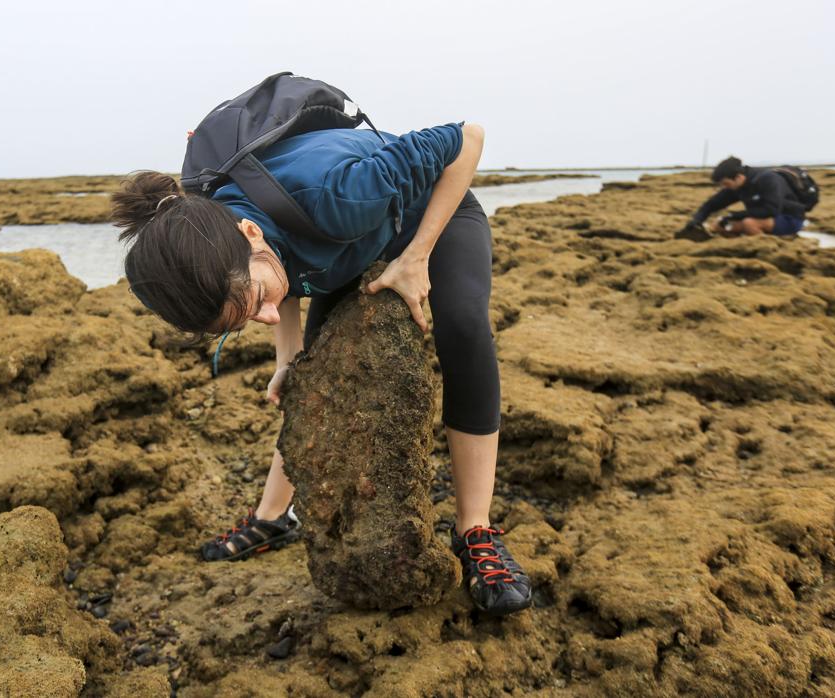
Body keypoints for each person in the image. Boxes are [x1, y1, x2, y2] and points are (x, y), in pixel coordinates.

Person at [110, 121, 531, 617]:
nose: (267, 315)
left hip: (431, 208)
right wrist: (287, 357)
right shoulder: (220, 223)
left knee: (463, 327)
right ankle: (273, 516)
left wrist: (416, 257)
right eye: (248, 320)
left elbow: (468, 138)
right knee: (308, 376)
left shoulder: (339, 191)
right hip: (340, 245)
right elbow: (272, 275)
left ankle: (474, 529)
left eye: (260, 301)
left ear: (249, 234)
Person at [677, 156, 808, 240]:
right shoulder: (735, 186)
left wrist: (735, 215)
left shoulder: (768, 179)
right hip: (763, 219)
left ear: (738, 177)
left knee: (748, 223)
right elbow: (711, 204)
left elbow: (771, 210)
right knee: (720, 225)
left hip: (789, 218)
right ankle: (741, 247)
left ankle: (770, 247)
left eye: (726, 184)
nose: (725, 187)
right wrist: (696, 220)